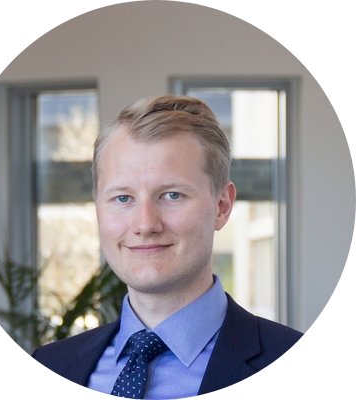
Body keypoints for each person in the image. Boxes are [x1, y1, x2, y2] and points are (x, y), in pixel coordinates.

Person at [32, 94, 302, 398]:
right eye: (123, 198)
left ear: (222, 206)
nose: (145, 224)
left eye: (172, 195)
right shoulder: (48, 366)